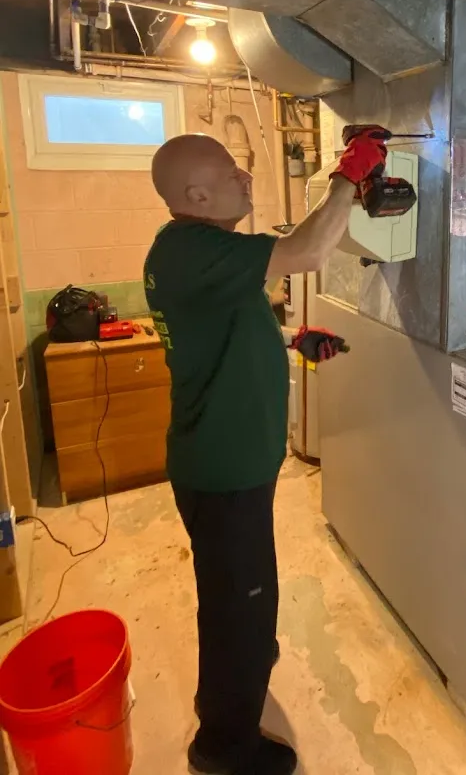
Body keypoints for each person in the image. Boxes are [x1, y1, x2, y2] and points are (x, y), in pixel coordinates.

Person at [143, 128, 387, 775]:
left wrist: (290, 342)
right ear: (195, 193)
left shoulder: (204, 250)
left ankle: (233, 678)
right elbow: (308, 250)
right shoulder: (190, 249)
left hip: (228, 462)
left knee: (237, 595)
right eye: (230, 173)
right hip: (222, 468)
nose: (246, 179)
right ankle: (222, 747)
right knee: (239, 606)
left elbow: (218, 331)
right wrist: (347, 175)